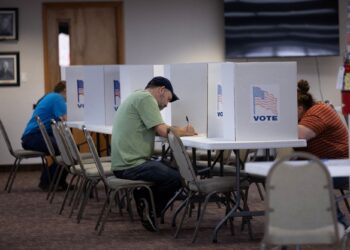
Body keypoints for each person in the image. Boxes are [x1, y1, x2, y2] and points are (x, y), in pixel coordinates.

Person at [111, 76, 197, 232]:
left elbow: (161, 127)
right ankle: (151, 212)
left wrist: (175, 129)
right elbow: (163, 130)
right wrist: (185, 131)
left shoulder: (136, 96)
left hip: (123, 163)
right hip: (131, 165)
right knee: (176, 177)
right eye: (168, 100)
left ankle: (143, 196)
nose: (166, 105)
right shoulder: (146, 99)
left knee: (165, 168)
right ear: (161, 90)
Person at [296, 79, 349, 229]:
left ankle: (340, 224)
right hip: (322, 164)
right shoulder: (310, 110)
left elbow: (301, 134)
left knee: (312, 179)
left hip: (337, 168)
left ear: (300, 108)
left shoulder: (317, 112)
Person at [21, 81, 69, 191]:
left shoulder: (51, 96)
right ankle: (46, 182)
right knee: (67, 150)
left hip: (32, 136)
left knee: (68, 149)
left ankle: (59, 182)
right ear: (65, 90)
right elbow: (65, 119)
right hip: (34, 137)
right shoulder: (58, 98)